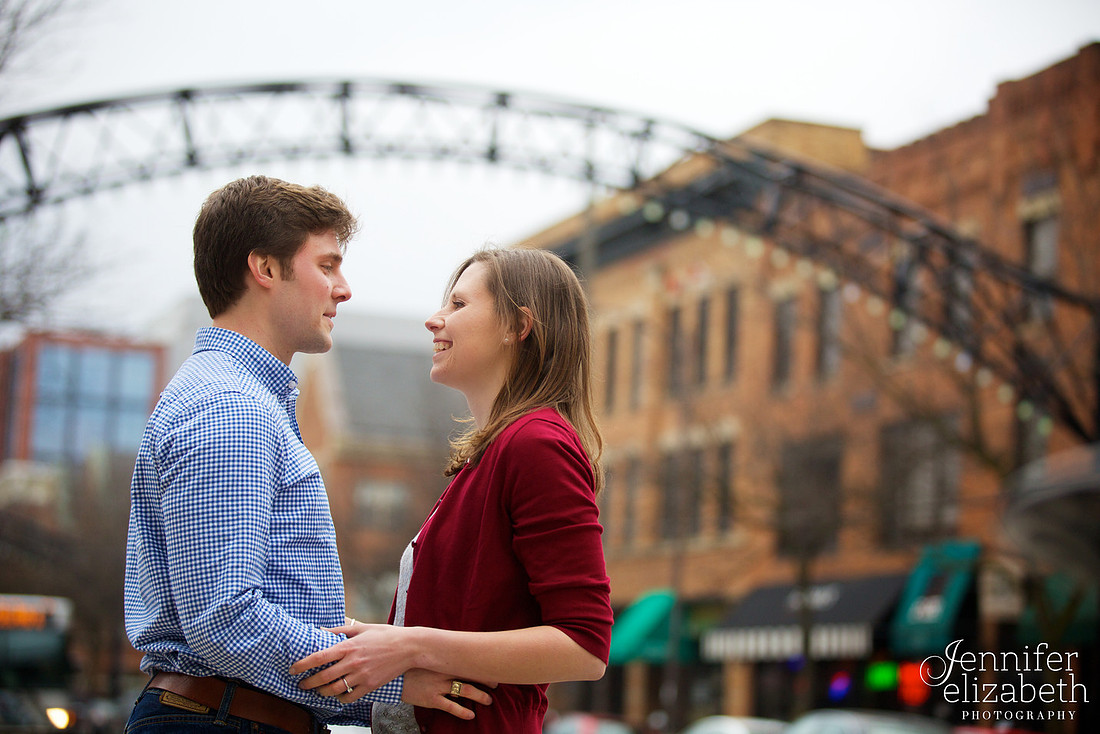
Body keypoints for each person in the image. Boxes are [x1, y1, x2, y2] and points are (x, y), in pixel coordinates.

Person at [124, 175, 490, 734]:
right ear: (265, 269)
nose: (343, 289)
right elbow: (225, 619)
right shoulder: (233, 410)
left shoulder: (241, 400)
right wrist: (392, 682)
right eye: (326, 266)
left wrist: (392, 658)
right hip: (226, 719)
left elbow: (268, 609)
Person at [291, 246, 614, 733]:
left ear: (517, 326)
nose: (434, 320)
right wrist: (383, 640)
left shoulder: (537, 444)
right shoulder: (494, 454)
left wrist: (410, 645)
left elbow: (584, 646)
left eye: (459, 305)